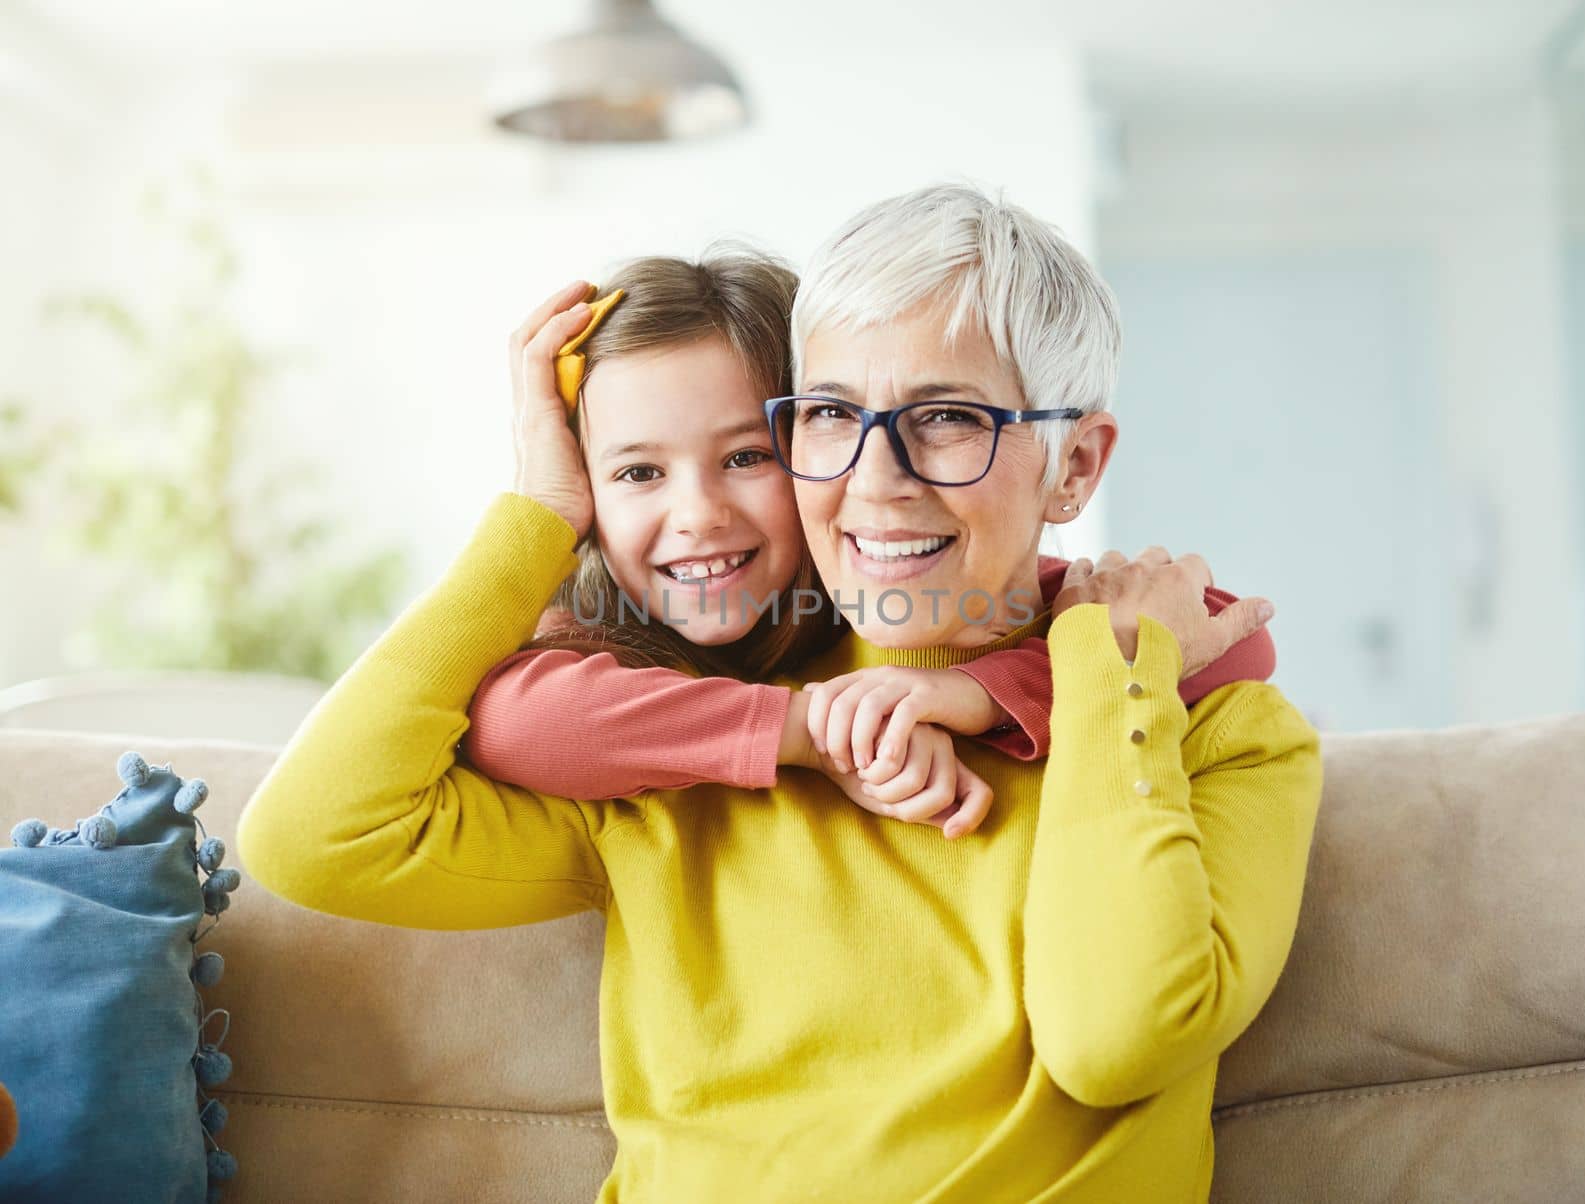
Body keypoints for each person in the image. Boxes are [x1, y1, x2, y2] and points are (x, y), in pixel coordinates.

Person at [238, 184, 1320, 1203]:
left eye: (945, 417)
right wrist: (538, 512)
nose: (877, 479)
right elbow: (314, 837)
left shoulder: (1210, 731)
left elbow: (1116, 1033)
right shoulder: (684, 738)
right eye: (831, 417)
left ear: (1074, 467)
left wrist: (1106, 670)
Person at [460, 255, 1275, 836]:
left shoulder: (893, 593)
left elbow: (1227, 631)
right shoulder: (599, 641)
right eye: (637, 472)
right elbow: (513, 725)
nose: (699, 514)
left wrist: (982, 692)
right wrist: (818, 730)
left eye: (746, 457)